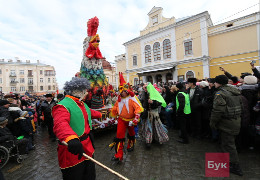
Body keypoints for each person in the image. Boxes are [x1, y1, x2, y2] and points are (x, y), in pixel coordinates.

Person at [52, 77, 101, 180]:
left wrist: (102, 114)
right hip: (72, 149)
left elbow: (90, 112)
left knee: (90, 176)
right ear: (79, 91)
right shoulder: (62, 106)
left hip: (88, 147)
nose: (87, 93)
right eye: (85, 91)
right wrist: (71, 138)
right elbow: (60, 124)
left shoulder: (82, 103)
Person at [210, 75, 243, 176]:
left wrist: (212, 123)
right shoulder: (235, 91)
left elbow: (217, 111)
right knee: (230, 143)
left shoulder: (220, 93)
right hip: (235, 120)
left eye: (215, 82)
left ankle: (235, 166)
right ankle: (229, 161)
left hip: (226, 123)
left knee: (228, 145)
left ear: (219, 83)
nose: (214, 83)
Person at [109, 72, 143, 161]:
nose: (123, 93)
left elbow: (138, 108)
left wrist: (136, 118)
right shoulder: (119, 100)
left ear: (127, 91)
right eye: (121, 91)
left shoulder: (132, 99)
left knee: (131, 133)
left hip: (131, 120)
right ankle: (119, 155)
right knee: (119, 136)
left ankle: (131, 144)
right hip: (121, 120)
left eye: (124, 91)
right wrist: (114, 115)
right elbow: (116, 108)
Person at [139, 82, 169, 147]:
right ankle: (148, 141)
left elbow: (160, 102)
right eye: (144, 88)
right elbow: (142, 102)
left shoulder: (155, 93)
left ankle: (157, 138)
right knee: (148, 127)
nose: (145, 89)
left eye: (146, 88)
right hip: (146, 114)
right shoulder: (144, 94)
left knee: (156, 127)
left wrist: (153, 102)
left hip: (154, 114)